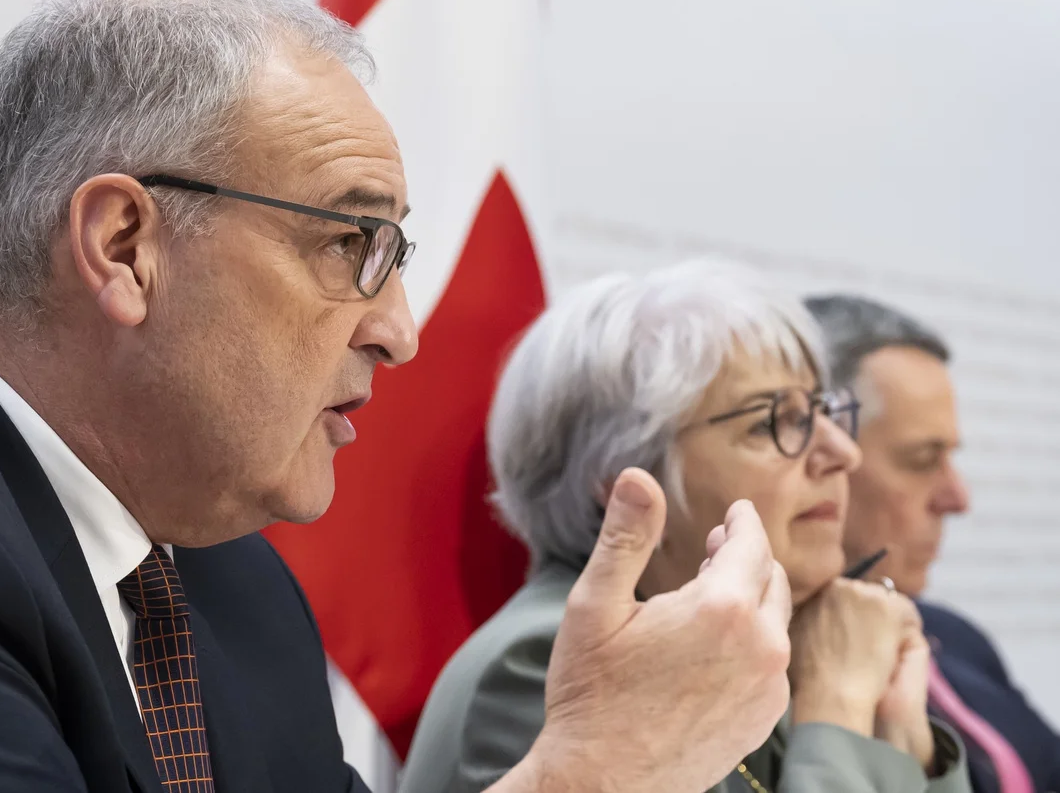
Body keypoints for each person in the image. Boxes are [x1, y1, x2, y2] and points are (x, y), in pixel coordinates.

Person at [0, 0, 796, 793]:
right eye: (352, 241)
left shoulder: (230, 575)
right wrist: (594, 776)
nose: (397, 333)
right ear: (125, 247)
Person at [400, 260, 973, 793]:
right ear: (625, 474)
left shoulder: (751, 641)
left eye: (823, 412)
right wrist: (838, 711)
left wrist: (906, 742)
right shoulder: (548, 663)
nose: (842, 451)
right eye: (777, 421)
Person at [806, 294, 1060, 793]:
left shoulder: (951, 636)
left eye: (950, 457)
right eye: (922, 460)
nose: (957, 498)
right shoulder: (779, 691)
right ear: (820, 459)